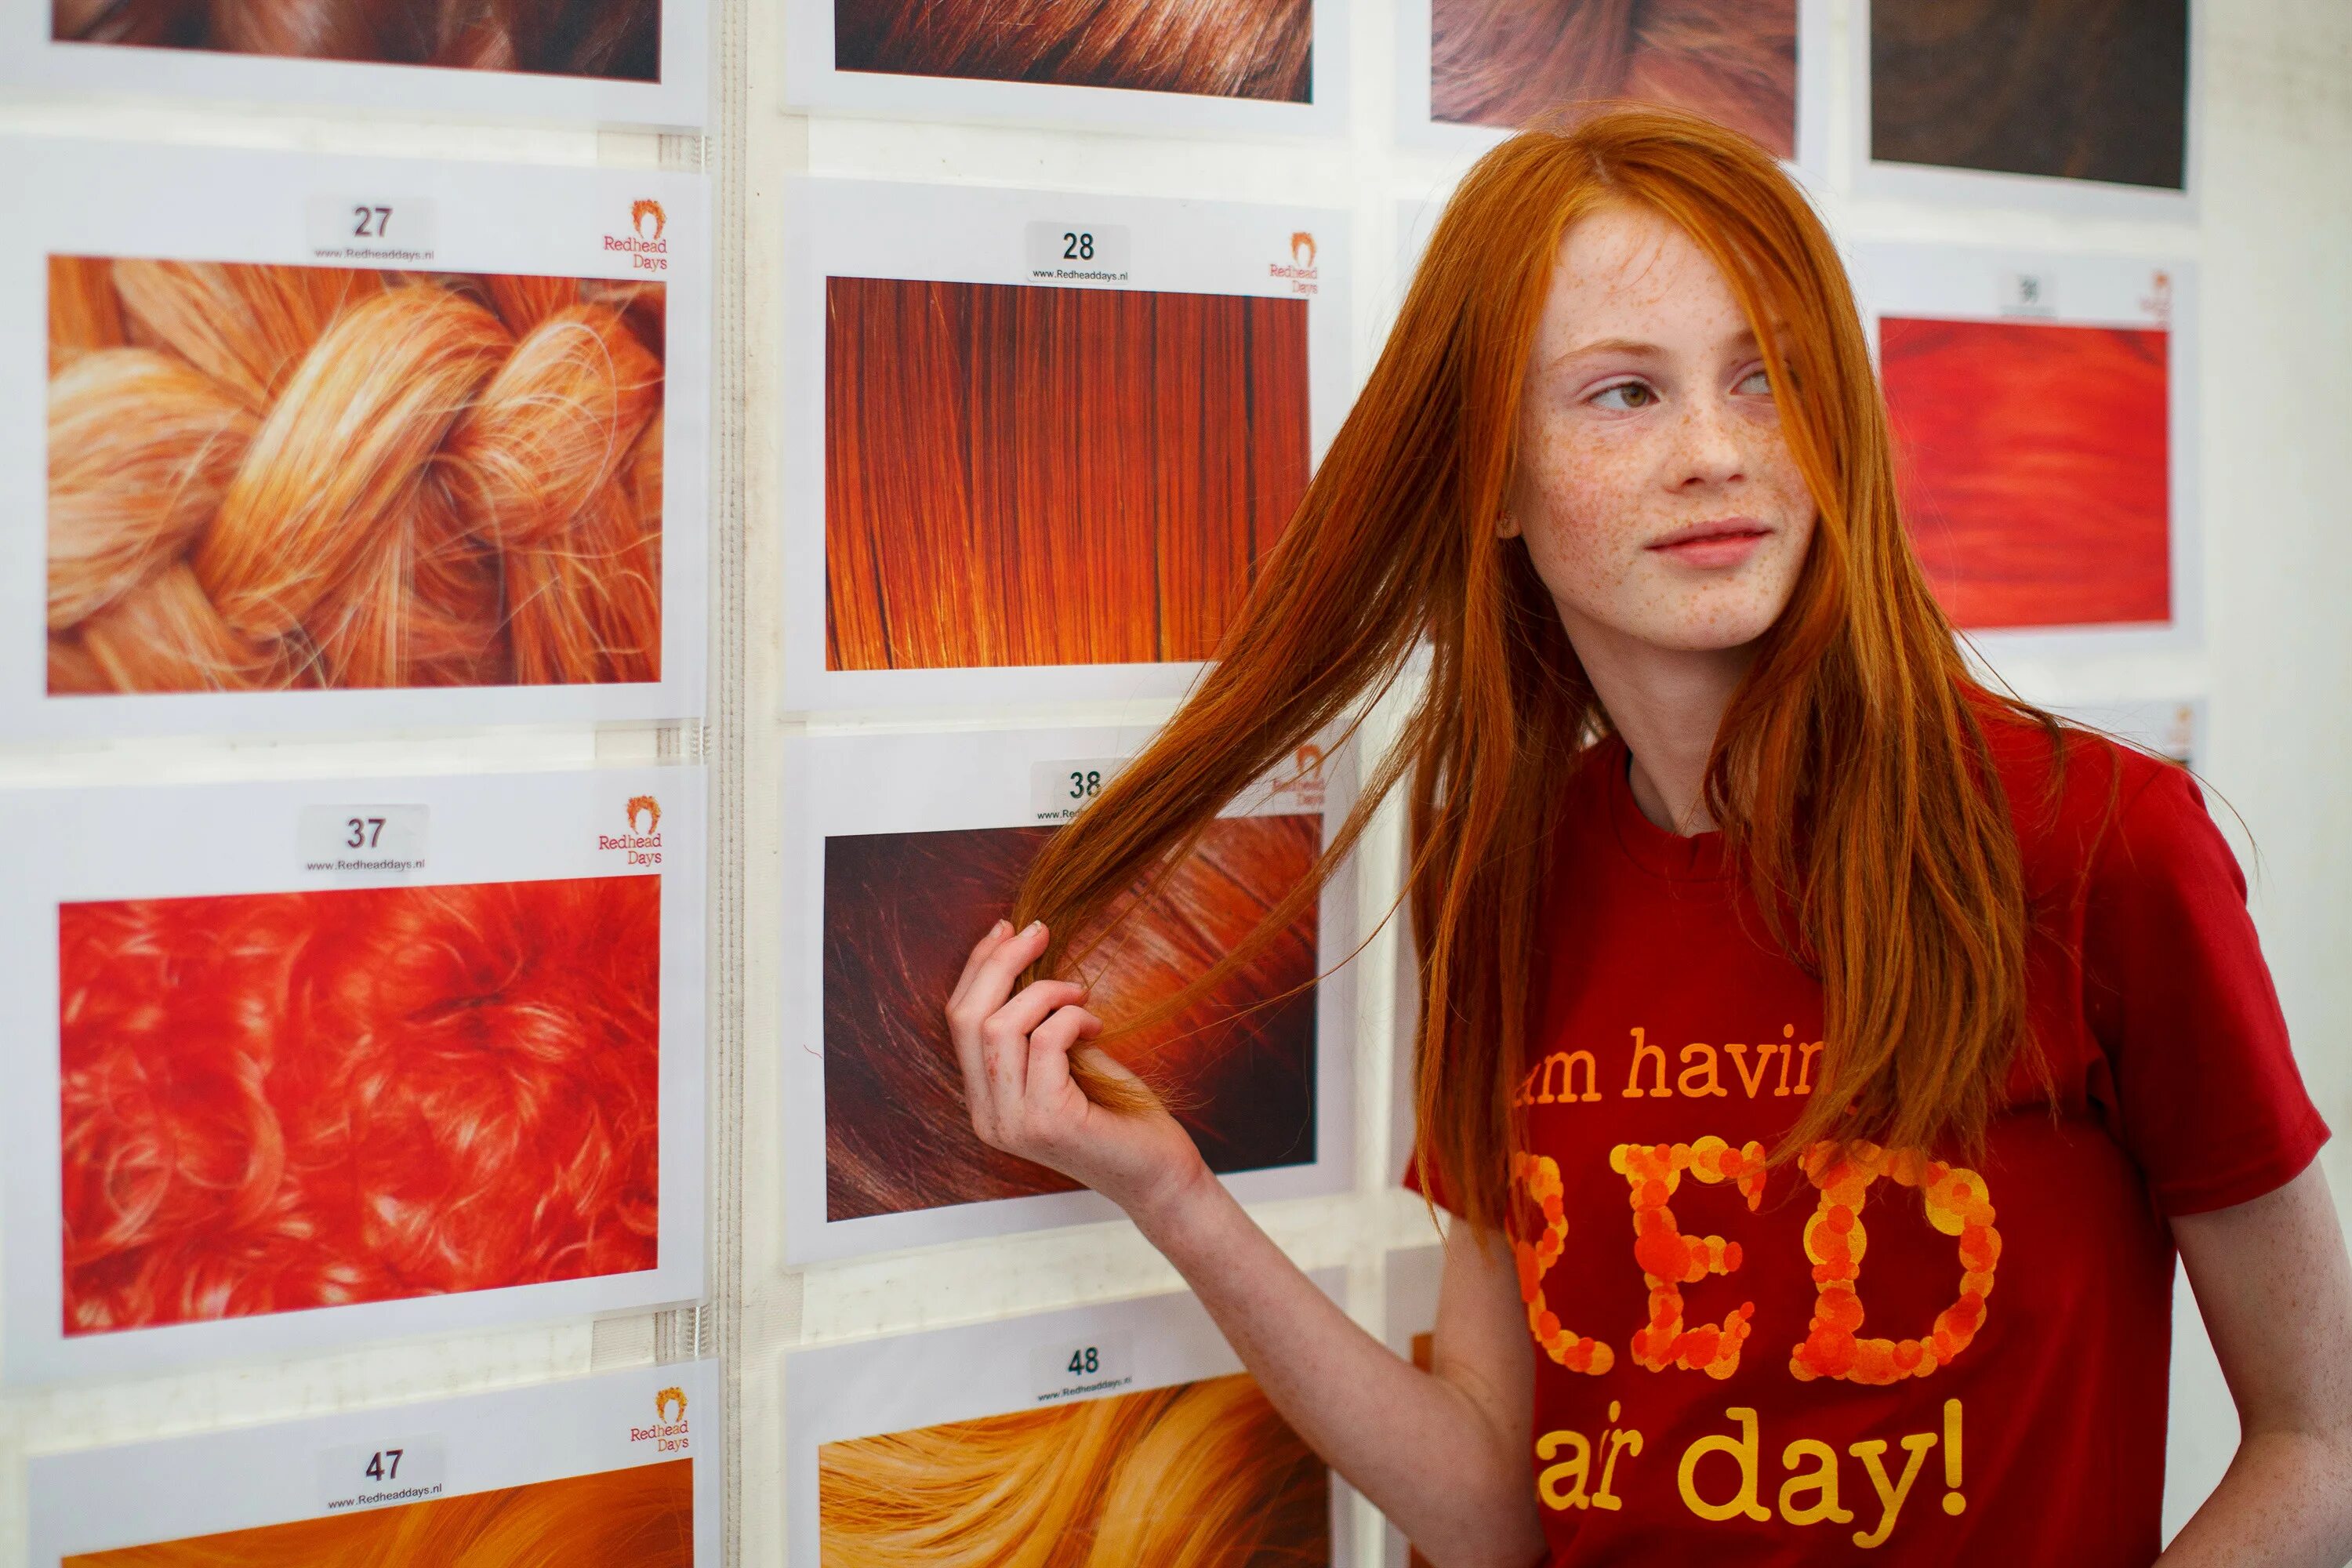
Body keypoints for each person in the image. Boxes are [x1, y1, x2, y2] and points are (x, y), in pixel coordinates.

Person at [942, 107, 2352, 1566]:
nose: (1715, 452)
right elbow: (1497, 1510)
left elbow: (2324, 1441)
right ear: (1489, 478)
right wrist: (1174, 1195)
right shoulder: (1503, 868)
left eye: (1767, 380)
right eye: (1623, 393)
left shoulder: (2097, 843)